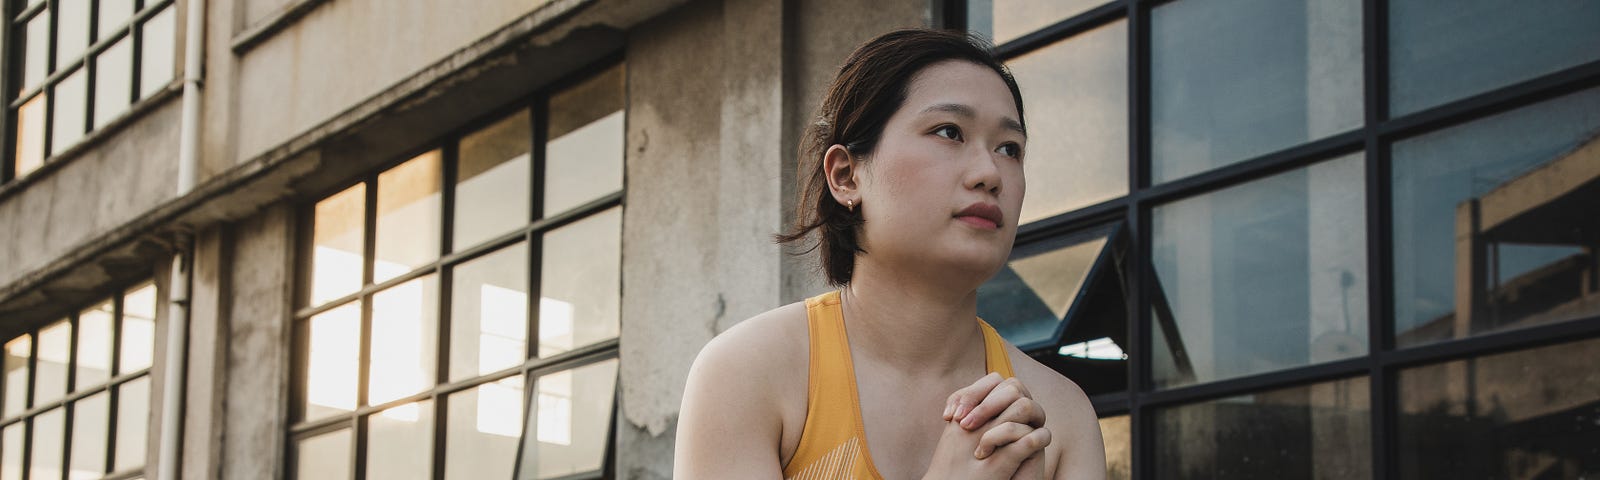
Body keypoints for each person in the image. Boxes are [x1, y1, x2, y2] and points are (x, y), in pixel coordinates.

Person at [674, 28, 1106, 480]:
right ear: (845, 175)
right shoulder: (749, 374)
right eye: (949, 132)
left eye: (1009, 149)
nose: (989, 173)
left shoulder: (1060, 416)